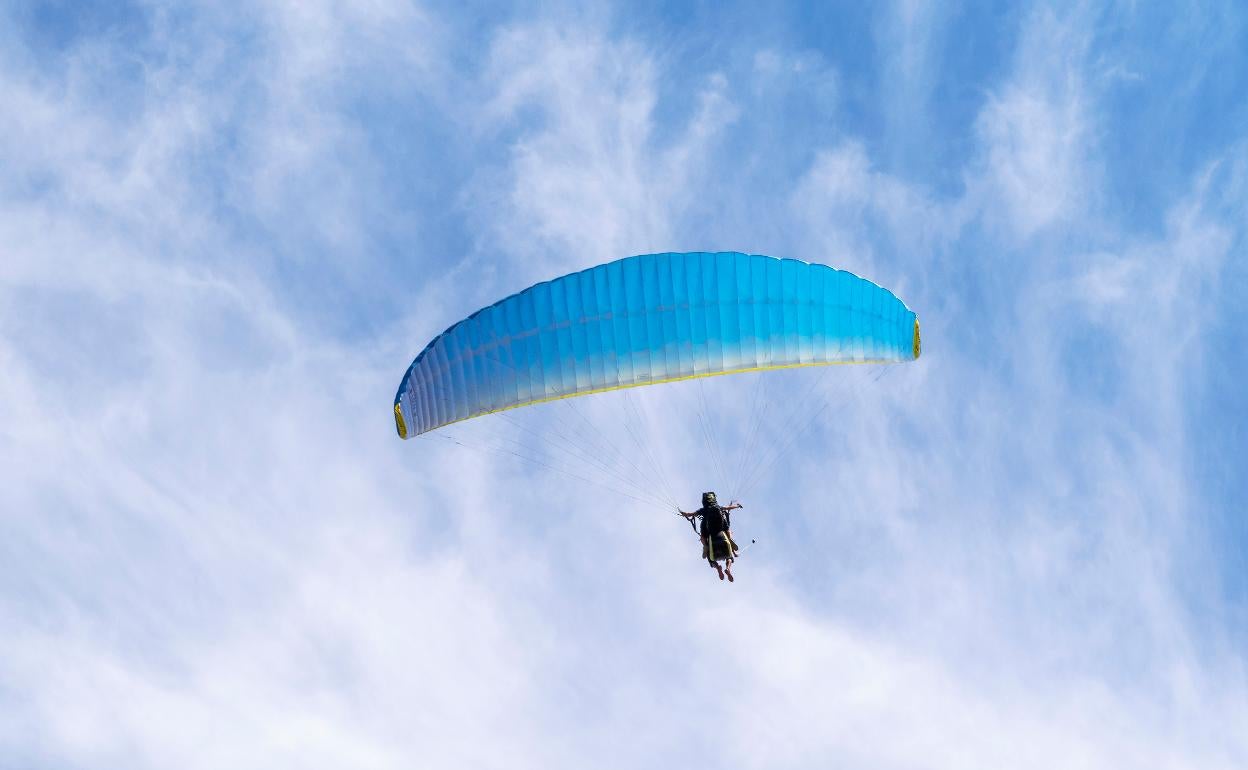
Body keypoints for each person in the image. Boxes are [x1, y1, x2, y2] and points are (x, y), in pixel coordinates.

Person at [679, 492, 743, 582]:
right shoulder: (718, 507)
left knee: (704, 539)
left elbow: (690, 514)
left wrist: (683, 513)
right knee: (729, 550)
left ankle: (715, 563)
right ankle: (728, 567)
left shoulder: (703, 510)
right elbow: (727, 508)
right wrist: (737, 506)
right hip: (721, 528)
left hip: (710, 532)